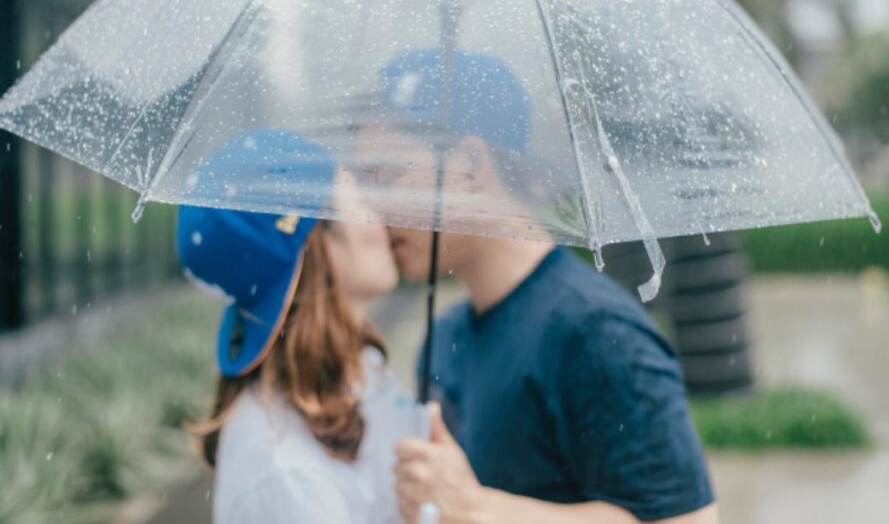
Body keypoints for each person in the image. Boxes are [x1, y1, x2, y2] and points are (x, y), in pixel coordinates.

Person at [370, 50, 719, 523]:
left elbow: (687, 520)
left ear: (470, 166)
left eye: (390, 176)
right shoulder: (445, 337)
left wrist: (476, 509)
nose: (378, 208)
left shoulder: (594, 332)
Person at [176, 129, 425, 524]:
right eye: (358, 197)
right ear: (317, 247)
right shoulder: (288, 479)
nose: (379, 214)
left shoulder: (356, 370)